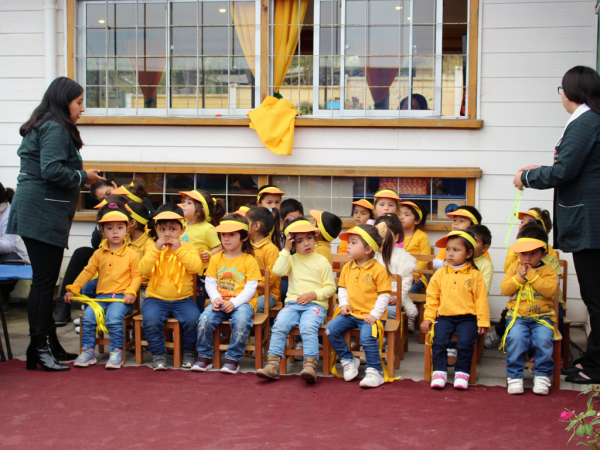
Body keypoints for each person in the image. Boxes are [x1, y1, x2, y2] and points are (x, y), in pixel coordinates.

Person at [7, 77, 105, 371]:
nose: (82, 108)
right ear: (64, 102)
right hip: (41, 210)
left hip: (41, 209)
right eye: (78, 102)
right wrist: (84, 177)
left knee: (45, 281)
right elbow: (51, 171)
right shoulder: (53, 126)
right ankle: (40, 348)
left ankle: (46, 345)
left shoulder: (47, 123)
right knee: (44, 282)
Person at [513, 66, 600, 384]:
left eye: (561, 89)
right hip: (591, 221)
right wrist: (542, 168)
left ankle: (595, 366)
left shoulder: (586, 121)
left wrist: (526, 177)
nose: (560, 95)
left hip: (591, 223)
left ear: (572, 91)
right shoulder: (589, 120)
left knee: (596, 298)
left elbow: (565, 173)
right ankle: (592, 359)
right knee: (594, 298)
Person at [255, 217, 336, 384]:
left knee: (308, 327)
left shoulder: (322, 262)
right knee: (278, 326)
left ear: (315, 239)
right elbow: (277, 270)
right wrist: (285, 250)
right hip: (292, 305)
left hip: (315, 306)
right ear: (292, 243)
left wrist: (313, 295)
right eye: (299, 241)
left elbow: (330, 288)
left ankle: (310, 365)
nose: (306, 244)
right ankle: (273, 365)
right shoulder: (291, 259)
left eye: (309, 238)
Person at [65, 203, 142, 369]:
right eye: (110, 228)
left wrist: (131, 292)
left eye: (120, 227)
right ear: (102, 231)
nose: (115, 232)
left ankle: (116, 352)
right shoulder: (98, 253)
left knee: (114, 319)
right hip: (100, 298)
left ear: (127, 229)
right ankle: (88, 351)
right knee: (87, 318)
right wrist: (73, 288)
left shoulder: (132, 254)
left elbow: (137, 276)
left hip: (122, 299)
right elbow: (86, 272)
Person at [326, 223, 393, 388]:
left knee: (366, 338)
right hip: (352, 313)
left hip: (370, 316)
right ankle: (348, 360)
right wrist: (343, 304)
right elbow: (342, 288)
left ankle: (375, 371)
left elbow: (384, 295)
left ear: (368, 249)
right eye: (349, 242)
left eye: (353, 243)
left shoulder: (379, 270)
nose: (348, 246)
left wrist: (375, 315)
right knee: (330, 329)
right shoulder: (348, 267)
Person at [193, 214, 262, 374]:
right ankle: (205, 356)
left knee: (241, 321)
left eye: (232, 234)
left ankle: (233, 358)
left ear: (244, 237)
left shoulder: (249, 260)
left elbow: (251, 288)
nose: (226, 238)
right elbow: (210, 282)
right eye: (223, 234)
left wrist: (235, 303)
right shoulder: (216, 258)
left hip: (243, 303)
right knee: (204, 320)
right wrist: (216, 299)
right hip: (220, 300)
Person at [421, 230, 489, 390]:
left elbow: (481, 299)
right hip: (445, 316)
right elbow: (432, 298)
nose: (450, 254)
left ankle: (462, 373)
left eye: (456, 250)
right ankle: (439, 372)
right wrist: (428, 318)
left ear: (469, 253)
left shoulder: (475, 275)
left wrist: (483, 321)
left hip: (468, 317)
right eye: (448, 249)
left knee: (466, 343)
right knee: (439, 341)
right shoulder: (440, 274)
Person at [139, 206, 202, 370]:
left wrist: (179, 250)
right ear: (156, 230)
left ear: (183, 229)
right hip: (155, 299)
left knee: (193, 320)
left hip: (184, 299)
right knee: (151, 321)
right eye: (162, 229)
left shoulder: (188, 248)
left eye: (173, 229)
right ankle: (158, 355)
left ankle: (188, 352)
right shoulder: (153, 249)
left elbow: (196, 267)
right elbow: (143, 270)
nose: (167, 234)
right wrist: (155, 250)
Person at [500, 226, 558, 395]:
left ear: (543, 254)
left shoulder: (548, 271)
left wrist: (532, 276)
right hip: (518, 316)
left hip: (542, 317)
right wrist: (519, 277)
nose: (527, 258)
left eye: (533, 254)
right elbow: (505, 289)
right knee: (516, 338)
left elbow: (549, 291)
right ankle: (514, 376)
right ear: (517, 253)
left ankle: (542, 375)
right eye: (523, 254)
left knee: (544, 340)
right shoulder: (514, 268)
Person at [373, 214, 418, 331]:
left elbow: (406, 282)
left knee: (390, 311)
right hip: (371, 297)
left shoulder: (404, 258)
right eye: (378, 234)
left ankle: (386, 342)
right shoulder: (370, 254)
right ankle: (369, 339)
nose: (381, 239)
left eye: (386, 235)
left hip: (392, 299)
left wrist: (396, 296)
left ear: (396, 237)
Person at [246, 206, 282, 314]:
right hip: (249, 292)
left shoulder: (271, 249)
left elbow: (271, 276)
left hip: (267, 294)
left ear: (257, 226)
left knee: (249, 308)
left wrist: (252, 288)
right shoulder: (246, 246)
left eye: (246, 223)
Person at [433, 206, 490, 270]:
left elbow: (485, 268)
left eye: (462, 221)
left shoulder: (479, 248)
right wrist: (452, 263)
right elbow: (435, 263)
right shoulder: (450, 242)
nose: (456, 223)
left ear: (473, 227)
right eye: (455, 220)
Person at [0, 183, 28, 311]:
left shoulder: (9, 214)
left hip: (9, 255)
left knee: (10, 264)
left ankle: (3, 296)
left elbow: (8, 245)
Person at [397, 201, 431, 296]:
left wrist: (415, 273)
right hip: (396, 274)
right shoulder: (394, 235)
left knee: (409, 289)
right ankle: (393, 308)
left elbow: (424, 259)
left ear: (417, 220)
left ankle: (400, 309)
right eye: (399, 214)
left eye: (406, 215)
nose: (401, 217)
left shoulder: (422, 237)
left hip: (417, 274)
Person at [468, 225, 494, 294]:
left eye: (475, 241)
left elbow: (484, 291)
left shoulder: (486, 265)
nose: (470, 243)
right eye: (468, 239)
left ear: (485, 248)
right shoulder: (458, 259)